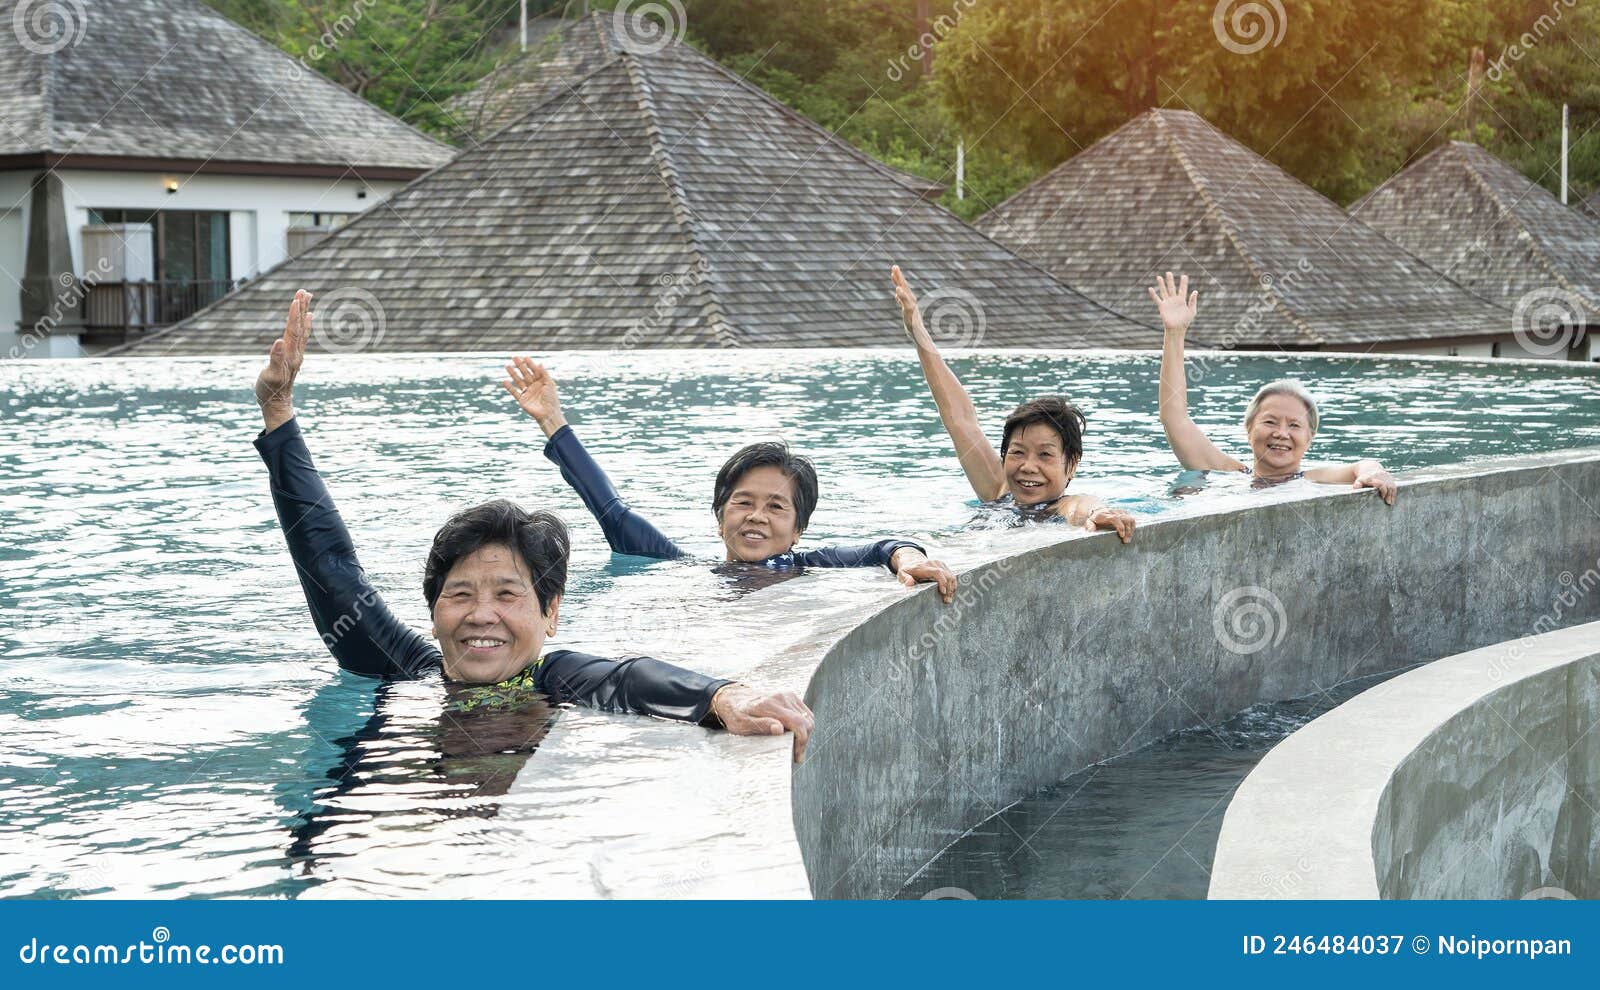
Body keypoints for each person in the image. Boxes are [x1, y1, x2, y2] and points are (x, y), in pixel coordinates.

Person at [253, 290, 815, 762]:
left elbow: (629, 677)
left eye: (507, 594)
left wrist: (722, 696)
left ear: (551, 613)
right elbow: (331, 568)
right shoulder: (406, 669)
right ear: (432, 610)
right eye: (461, 594)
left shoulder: (555, 677)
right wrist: (278, 413)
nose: (481, 615)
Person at [501, 357, 960, 604]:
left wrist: (907, 557)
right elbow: (611, 510)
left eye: (777, 507)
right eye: (743, 503)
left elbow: (884, 547)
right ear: (719, 516)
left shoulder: (812, 564)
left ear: (799, 529)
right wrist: (554, 422)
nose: (757, 517)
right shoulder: (682, 568)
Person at [890, 265, 1137, 541]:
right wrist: (918, 331)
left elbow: (1084, 508)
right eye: (1018, 452)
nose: (1028, 466)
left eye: (1045, 454)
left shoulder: (1065, 505)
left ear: (1072, 464)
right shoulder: (998, 489)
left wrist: (1099, 514)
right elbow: (959, 419)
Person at [1149, 272, 1399, 504]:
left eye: (1294, 425)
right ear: (1248, 429)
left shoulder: (1312, 480)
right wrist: (1175, 334)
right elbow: (1174, 417)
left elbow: (1362, 465)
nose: (1281, 433)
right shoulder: (1227, 473)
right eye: (1270, 422)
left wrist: (1375, 471)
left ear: (1309, 438)